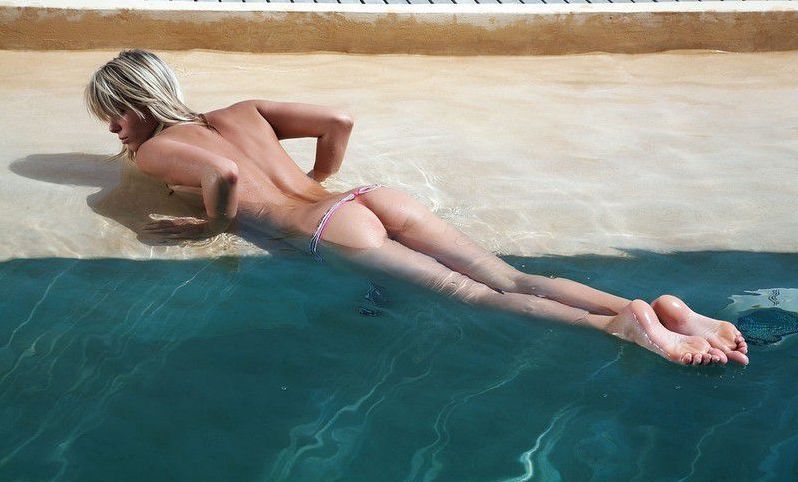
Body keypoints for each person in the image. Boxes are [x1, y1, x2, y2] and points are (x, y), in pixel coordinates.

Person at [84, 49, 749, 366]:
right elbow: (338, 119)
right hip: (361, 198)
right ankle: (658, 311)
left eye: (113, 119)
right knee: (512, 277)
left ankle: (623, 328)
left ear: (135, 103)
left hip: (325, 229)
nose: (115, 134)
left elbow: (222, 172)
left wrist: (214, 220)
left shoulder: (155, 149)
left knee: (476, 297)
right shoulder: (239, 110)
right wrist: (317, 178)